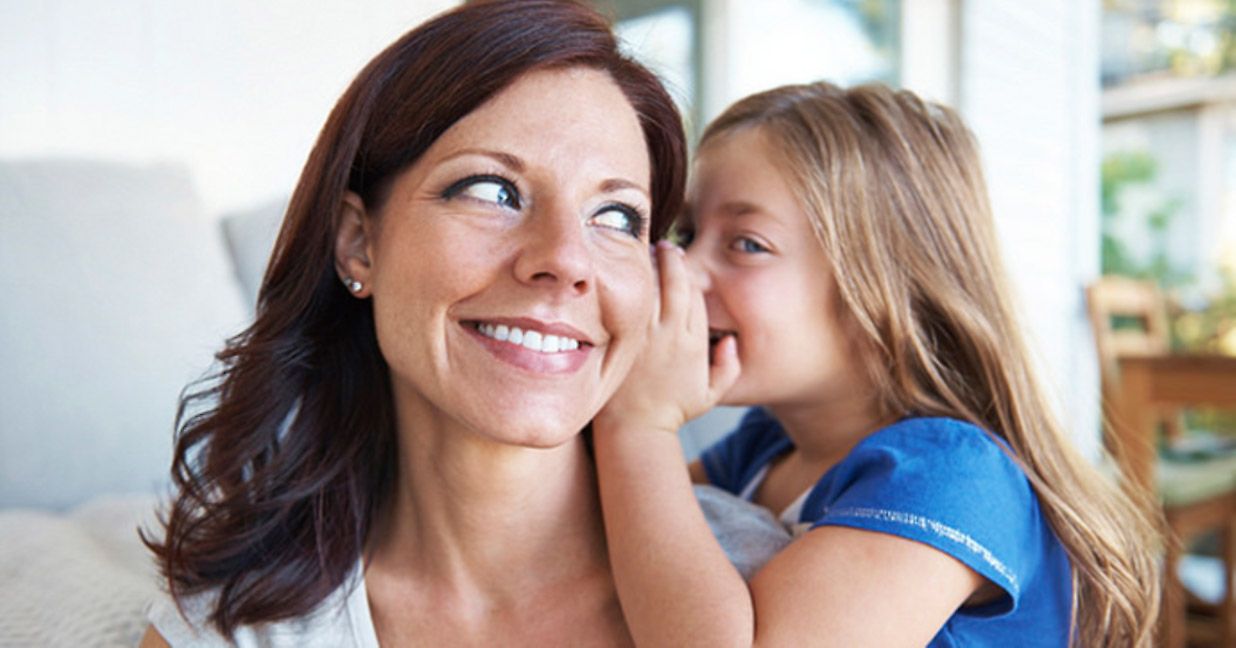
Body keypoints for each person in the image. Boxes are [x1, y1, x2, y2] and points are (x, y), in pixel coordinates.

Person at [137, 1, 696, 645]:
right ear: (358, 244)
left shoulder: (771, 591)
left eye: (618, 216)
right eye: (491, 191)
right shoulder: (233, 632)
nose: (566, 261)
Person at [594, 82, 1163, 646]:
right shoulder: (764, 448)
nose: (683, 271)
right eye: (686, 234)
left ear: (885, 292)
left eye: (747, 243)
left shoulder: (950, 475)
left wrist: (639, 426)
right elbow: (607, 520)